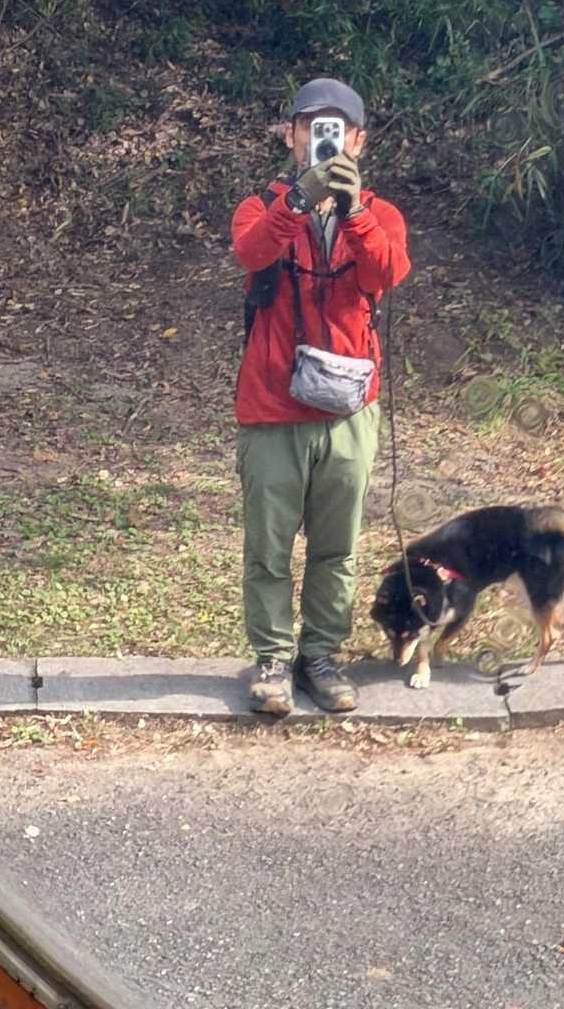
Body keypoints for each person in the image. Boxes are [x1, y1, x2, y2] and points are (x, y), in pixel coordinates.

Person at [231, 77, 410, 715]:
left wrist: (353, 212)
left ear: (359, 140)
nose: (323, 138)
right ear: (290, 135)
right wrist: (299, 203)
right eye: (311, 126)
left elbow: (387, 272)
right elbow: (252, 252)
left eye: (336, 128)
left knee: (337, 546)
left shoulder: (381, 213)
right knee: (269, 546)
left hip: (350, 408)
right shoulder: (260, 206)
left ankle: (322, 656)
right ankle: (273, 660)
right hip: (272, 406)